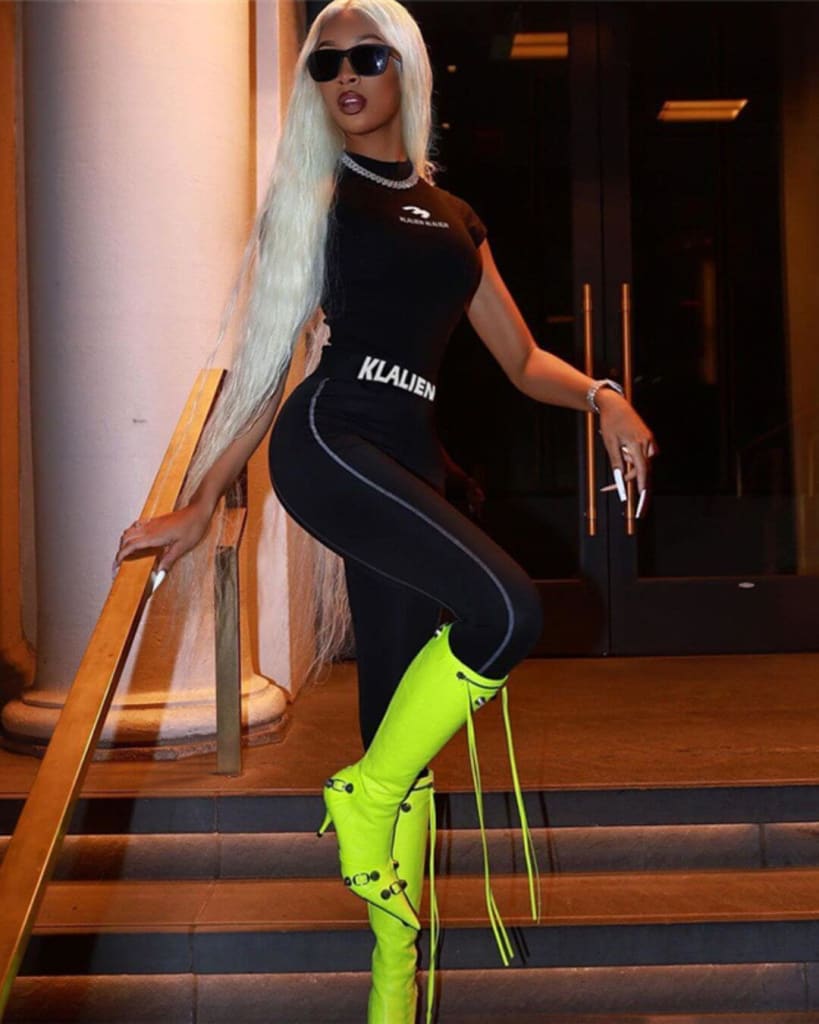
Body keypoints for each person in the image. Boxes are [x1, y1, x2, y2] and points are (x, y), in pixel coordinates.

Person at [114, 1, 658, 1020]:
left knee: (397, 735)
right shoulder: (319, 196)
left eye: (366, 57)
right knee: (508, 612)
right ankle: (359, 794)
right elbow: (270, 361)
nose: (345, 78)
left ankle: (393, 994)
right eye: (325, 64)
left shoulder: (456, 219)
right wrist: (201, 500)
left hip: (409, 464)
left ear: (406, 66)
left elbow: (522, 360)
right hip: (331, 442)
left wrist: (601, 396)